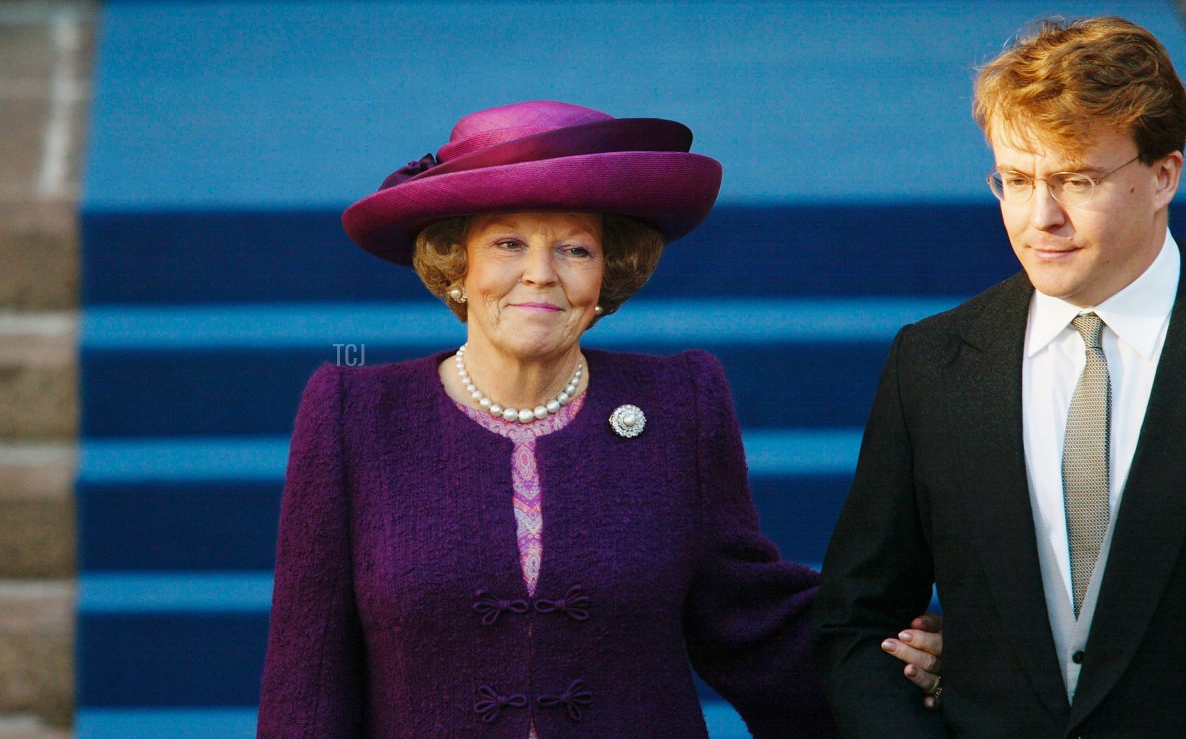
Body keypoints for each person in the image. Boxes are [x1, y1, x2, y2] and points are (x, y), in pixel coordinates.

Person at [256, 100, 939, 738]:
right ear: (455, 263)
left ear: (607, 277)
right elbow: (306, 676)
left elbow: (751, 620)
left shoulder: (680, 402)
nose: (541, 274)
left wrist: (893, 652)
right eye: (507, 244)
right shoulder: (356, 416)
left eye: (575, 249)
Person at [814, 15, 1186, 736]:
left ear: (1163, 176)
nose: (1040, 217)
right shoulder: (932, 363)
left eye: (1076, 180)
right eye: (1016, 181)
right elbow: (858, 625)